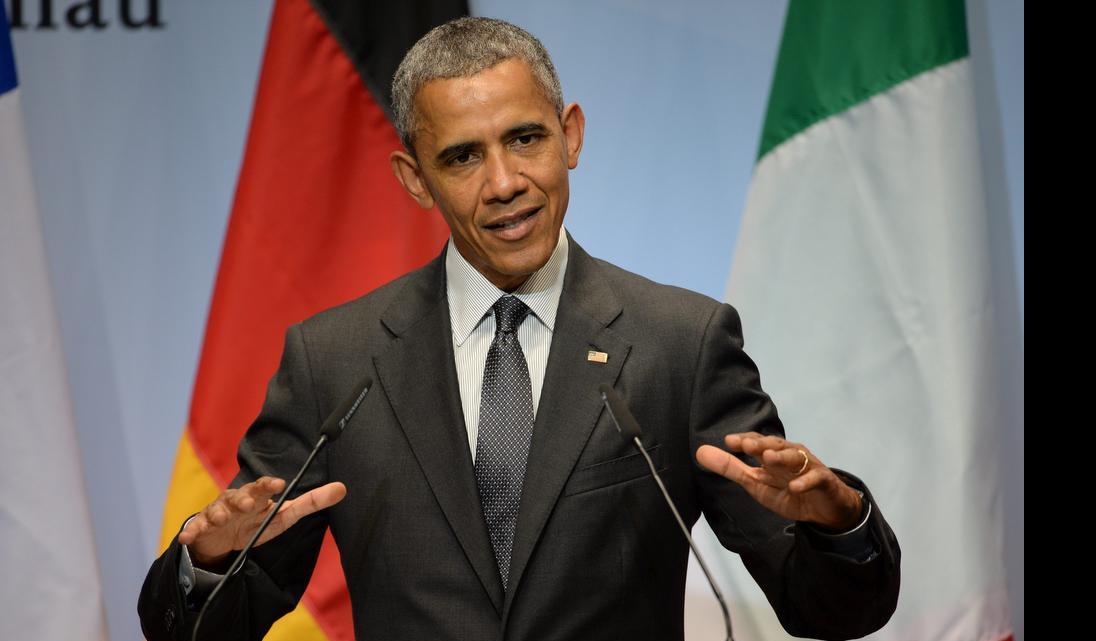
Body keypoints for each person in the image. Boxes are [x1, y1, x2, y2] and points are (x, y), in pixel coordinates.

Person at [139, 17, 900, 641]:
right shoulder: (335, 361)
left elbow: (831, 610)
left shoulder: (681, 342)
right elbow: (204, 628)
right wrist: (207, 563)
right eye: (462, 157)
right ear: (415, 179)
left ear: (571, 135)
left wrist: (838, 525)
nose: (504, 183)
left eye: (526, 139)